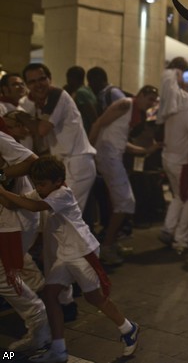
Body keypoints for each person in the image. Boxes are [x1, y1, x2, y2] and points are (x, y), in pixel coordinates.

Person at [0, 156, 139, 362]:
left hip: (82, 252)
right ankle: (58, 350)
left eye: (42, 184)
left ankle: (128, 328)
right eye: (36, 183)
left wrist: (2, 190)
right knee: (50, 295)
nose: (38, 188)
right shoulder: (43, 191)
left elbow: (33, 207)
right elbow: (13, 205)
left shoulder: (62, 193)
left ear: (57, 181)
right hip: (64, 255)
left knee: (94, 298)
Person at [88, 85, 161, 265]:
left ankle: (110, 243)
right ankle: (106, 245)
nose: (151, 104)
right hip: (107, 156)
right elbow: (98, 123)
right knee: (126, 202)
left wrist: (144, 150)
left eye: (154, 101)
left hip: (112, 156)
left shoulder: (133, 111)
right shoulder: (126, 104)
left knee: (121, 203)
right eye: (150, 99)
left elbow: (120, 140)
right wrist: (88, 149)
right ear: (141, 95)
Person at [17, 63, 97, 213]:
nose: (38, 85)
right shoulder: (39, 104)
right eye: (32, 82)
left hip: (76, 163)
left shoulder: (56, 95)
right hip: (64, 164)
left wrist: (20, 117)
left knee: (66, 218)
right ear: (28, 85)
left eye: (41, 79)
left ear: (50, 79)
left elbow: (42, 130)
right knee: (61, 219)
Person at [0, 122, 49, 354]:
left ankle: (38, 322)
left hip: (15, 219)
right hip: (9, 219)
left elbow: (32, 161)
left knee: (4, 275)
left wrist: (0, 174)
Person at [157, 89, 188, 253]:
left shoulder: (171, 112)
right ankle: (181, 238)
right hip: (182, 163)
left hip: (168, 159)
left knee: (178, 196)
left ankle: (168, 229)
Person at [156, 57, 188, 125]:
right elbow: (179, 84)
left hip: (164, 101)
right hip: (170, 104)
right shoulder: (176, 72)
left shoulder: (166, 73)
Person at [64, 66, 97, 134]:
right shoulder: (87, 89)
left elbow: (92, 115)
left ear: (73, 78)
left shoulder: (80, 93)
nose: (67, 81)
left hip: (85, 131)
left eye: (68, 78)